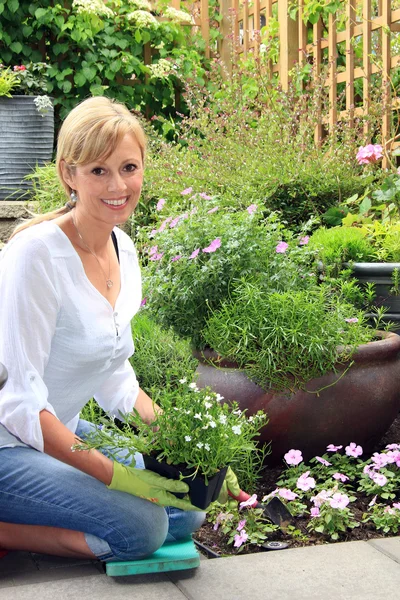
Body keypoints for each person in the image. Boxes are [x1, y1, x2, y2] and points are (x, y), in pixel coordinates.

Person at [0, 96, 206, 563]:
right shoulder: (35, 256)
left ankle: (65, 504)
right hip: (8, 444)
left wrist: (186, 443)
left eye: (128, 167)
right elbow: (18, 405)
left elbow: (112, 369)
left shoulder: (124, 249)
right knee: (143, 528)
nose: (118, 185)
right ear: (68, 173)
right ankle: (9, 532)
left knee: (186, 504)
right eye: (98, 171)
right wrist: (113, 476)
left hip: (59, 431)